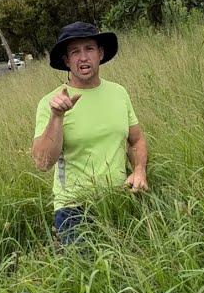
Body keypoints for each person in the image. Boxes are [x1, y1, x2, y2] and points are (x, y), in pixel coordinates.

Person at [32, 21, 148, 244]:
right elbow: (42, 163)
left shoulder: (119, 93)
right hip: (74, 210)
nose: (82, 57)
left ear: (100, 53)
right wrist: (57, 116)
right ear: (66, 60)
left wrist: (140, 170)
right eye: (74, 52)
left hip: (119, 199)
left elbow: (137, 140)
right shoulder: (51, 102)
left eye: (89, 49)